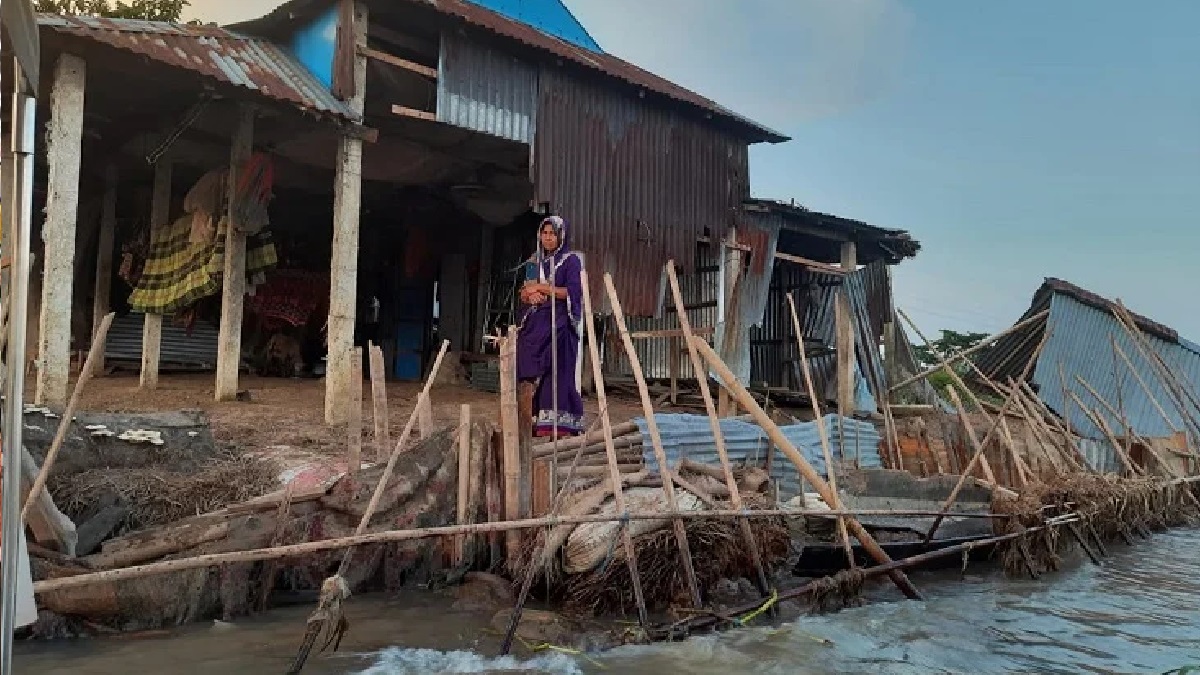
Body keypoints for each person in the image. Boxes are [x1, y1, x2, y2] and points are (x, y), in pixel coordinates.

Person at [516, 215, 585, 438]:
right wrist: (529, 296)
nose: (548, 238)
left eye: (552, 234)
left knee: (558, 371)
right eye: (544, 233)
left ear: (561, 236)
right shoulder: (534, 261)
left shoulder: (571, 261)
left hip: (560, 322)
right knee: (525, 363)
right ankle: (531, 418)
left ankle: (560, 426)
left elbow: (572, 292)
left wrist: (542, 289)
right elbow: (525, 291)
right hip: (537, 321)